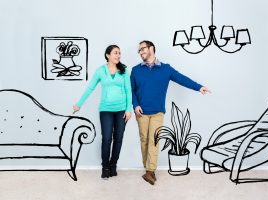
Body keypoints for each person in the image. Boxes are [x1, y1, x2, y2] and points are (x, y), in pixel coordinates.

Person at [130, 40, 210, 185]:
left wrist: (199, 87)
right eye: (139, 51)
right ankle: (147, 166)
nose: (141, 52)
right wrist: (135, 105)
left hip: (158, 112)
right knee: (144, 140)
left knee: (154, 141)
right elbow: (132, 90)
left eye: (142, 49)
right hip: (141, 112)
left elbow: (181, 79)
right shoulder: (136, 70)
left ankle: (150, 171)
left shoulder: (166, 69)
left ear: (151, 48)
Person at [73, 45, 132, 180]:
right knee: (106, 138)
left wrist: (129, 109)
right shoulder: (100, 71)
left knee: (118, 139)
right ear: (107, 55)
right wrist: (79, 104)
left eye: (119, 53)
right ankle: (105, 167)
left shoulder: (124, 71)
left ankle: (113, 165)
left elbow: (128, 90)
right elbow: (90, 88)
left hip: (122, 110)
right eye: (115, 53)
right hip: (106, 109)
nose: (118, 55)